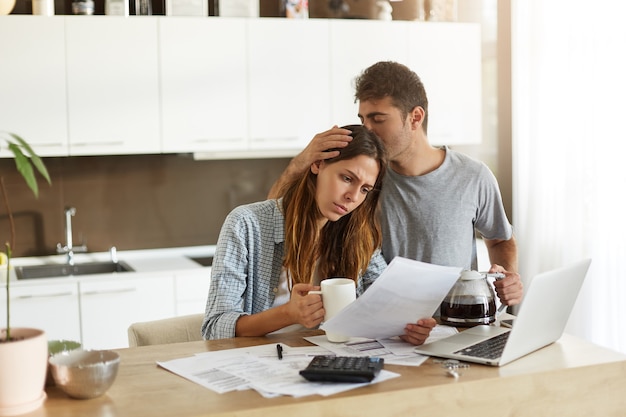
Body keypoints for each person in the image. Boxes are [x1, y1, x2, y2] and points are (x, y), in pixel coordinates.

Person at [269, 62, 523, 339]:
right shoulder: (363, 180)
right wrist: (303, 160)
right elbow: (277, 217)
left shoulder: (473, 176)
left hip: (456, 330)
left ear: (415, 117)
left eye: (377, 120)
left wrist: (507, 280)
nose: (366, 129)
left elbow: (500, 240)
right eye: (362, 118)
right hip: (384, 333)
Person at [202, 125, 401, 341]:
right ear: (317, 164)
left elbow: (387, 301)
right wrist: (288, 313)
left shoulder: (358, 235)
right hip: (262, 362)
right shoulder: (246, 224)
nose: (352, 197)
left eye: (364, 190)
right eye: (347, 178)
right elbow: (215, 328)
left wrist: (409, 324)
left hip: (331, 361)